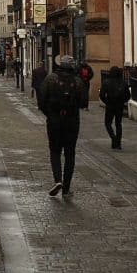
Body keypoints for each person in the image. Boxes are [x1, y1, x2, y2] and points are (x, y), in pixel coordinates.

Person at [38, 55, 88, 197]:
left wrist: (50, 114)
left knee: (55, 151)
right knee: (70, 154)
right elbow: (84, 102)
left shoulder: (50, 79)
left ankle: (57, 180)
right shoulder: (77, 81)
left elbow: (41, 100)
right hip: (72, 122)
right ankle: (66, 188)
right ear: (72, 67)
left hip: (54, 121)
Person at [100, 66, 131, 149]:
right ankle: (118, 143)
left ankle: (113, 138)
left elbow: (102, 95)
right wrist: (122, 102)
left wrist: (106, 102)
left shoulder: (106, 82)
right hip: (119, 106)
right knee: (118, 124)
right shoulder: (123, 82)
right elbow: (128, 95)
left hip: (110, 105)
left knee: (108, 123)